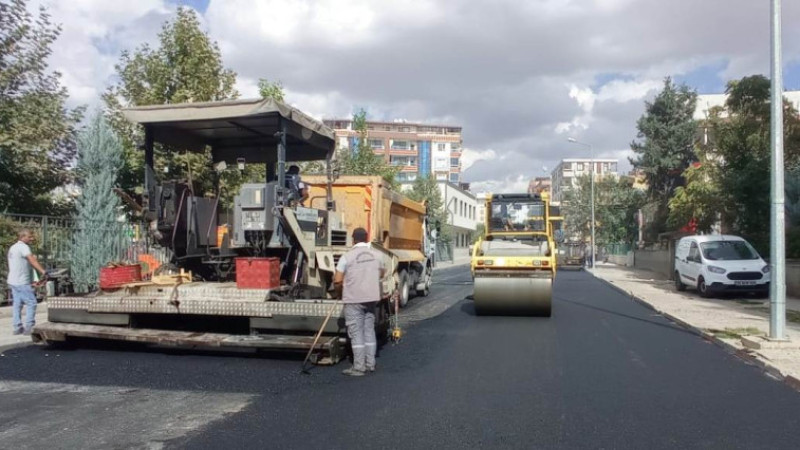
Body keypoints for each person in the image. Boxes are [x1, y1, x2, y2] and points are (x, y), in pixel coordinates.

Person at [334, 227, 385, 376]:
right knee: (369, 330)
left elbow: (337, 281)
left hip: (353, 300)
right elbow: (382, 273)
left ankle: (358, 367)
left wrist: (339, 294)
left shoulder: (346, 257)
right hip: (371, 299)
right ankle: (371, 364)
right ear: (367, 238)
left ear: (353, 239)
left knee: (356, 334)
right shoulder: (378, 256)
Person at [7, 229, 46, 335]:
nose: (32, 238)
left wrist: (32, 281)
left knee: (17, 304)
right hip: (21, 281)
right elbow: (32, 260)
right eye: (29, 237)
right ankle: (29, 327)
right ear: (23, 237)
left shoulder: (13, 247)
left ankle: (17, 327)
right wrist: (43, 271)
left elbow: (20, 265)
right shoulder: (24, 247)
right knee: (32, 302)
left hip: (13, 280)